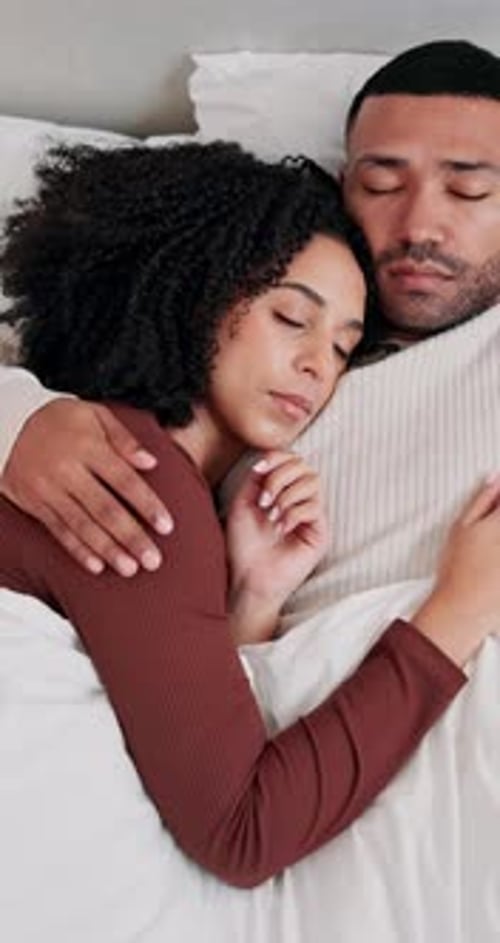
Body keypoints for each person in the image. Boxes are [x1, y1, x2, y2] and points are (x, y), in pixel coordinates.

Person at [0, 138, 486, 891]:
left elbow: (178, 727)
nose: (317, 367)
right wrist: (456, 612)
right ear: (196, 290)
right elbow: (243, 830)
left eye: (343, 348)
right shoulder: (134, 480)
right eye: (293, 317)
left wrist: (250, 600)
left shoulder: (157, 479)